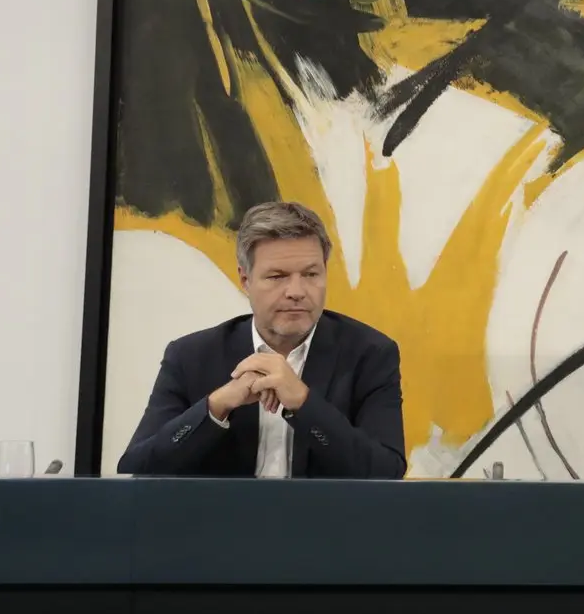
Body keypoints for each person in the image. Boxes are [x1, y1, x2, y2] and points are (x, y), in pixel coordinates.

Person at [118, 201, 407, 478]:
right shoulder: (191, 357)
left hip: (325, 526)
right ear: (245, 280)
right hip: (222, 526)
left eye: (310, 274)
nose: (297, 291)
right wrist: (215, 407)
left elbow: (386, 472)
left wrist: (305, 405)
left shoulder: (370, 355)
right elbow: (136, 468)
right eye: (277, 276)